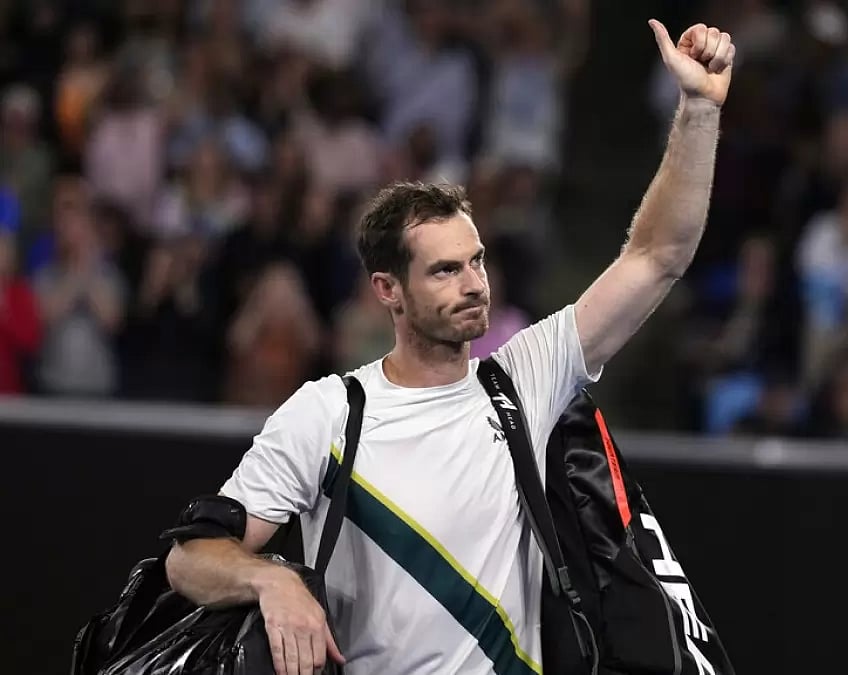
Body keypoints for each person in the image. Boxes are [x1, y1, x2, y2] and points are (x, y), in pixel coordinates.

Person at [165, 19, 736, 675]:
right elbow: (192, 556)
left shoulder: (524, 377)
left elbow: (657, 255)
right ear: (389, 290)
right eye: (444, 270)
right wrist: (270, 580)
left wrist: (697, 109)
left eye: (477, 262)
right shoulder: (328, 413)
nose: (474, 285)